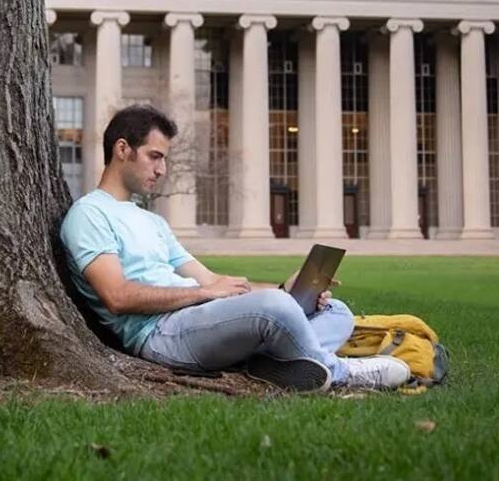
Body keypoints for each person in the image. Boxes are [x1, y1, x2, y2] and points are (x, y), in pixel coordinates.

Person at [60, 104, 410, 392]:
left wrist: (284, 289)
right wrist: (204, 294)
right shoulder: (89, 214)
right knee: (275, 309)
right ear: (122, 149)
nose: (163, 169)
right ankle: (343, 374)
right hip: (159, 334)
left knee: (336, 312)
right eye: (155, 156)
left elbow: (212, 279)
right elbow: (117, 296)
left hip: (198, 318)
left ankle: (274, 364)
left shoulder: (152, 222)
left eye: (164, 159)